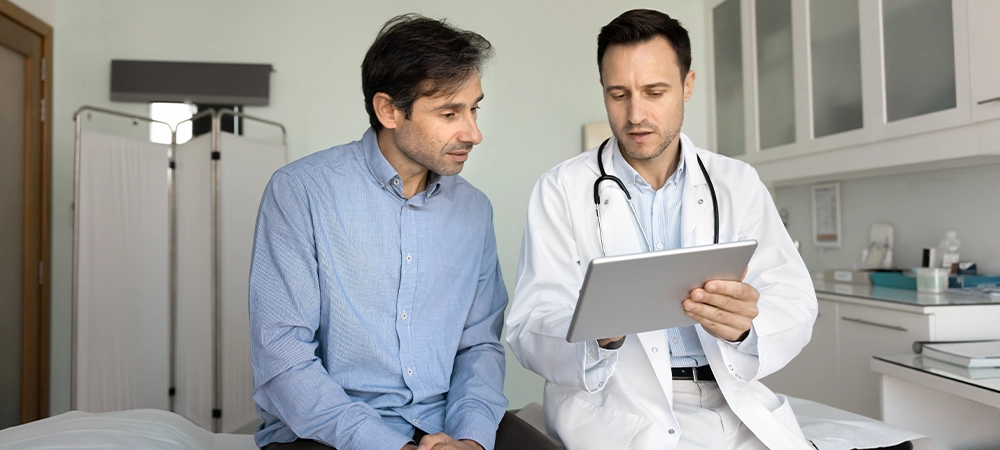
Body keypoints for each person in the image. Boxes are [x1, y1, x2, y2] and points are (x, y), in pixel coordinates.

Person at [506, 9, 819, 449]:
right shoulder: (561, 189)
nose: (635, 114)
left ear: (687, 85)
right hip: (617, 410)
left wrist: (745, 329)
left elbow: (795, 300)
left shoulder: (736, 182)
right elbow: (529, 326)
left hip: (732, 402)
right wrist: (597, 335)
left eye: (655, 92)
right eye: (619, 94)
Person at [248, 14, 555, 450]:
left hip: (443, 419)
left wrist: (470, 438)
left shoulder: (473, 209)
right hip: (328, 429)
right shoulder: (301, 192)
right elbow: (283, 354)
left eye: (474, 109)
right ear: (389, 110)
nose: (474, 133)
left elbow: (478, 345)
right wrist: (391, 446)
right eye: (449, 113)